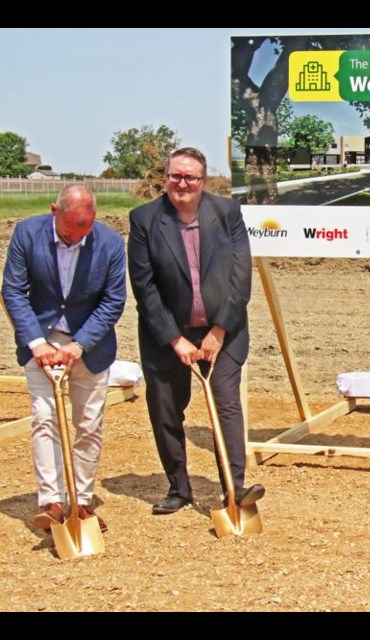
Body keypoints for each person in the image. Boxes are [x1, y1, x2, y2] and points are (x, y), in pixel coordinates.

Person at [128, 147, 265, 515]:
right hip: (167, 336)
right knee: (166, 411)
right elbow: (144, 286)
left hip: (224, 331)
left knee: (226, 402)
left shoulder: (227, 214)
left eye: (190, 177)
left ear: (203, 181)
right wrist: (175, 339)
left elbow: (241, 276)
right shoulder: (144, 219)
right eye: (175, 176)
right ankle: (179, 488)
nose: (182, 183)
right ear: (166, 178)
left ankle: (234, 488)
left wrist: (218, 330)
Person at [1, 186, 126, 533]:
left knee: (88, 424)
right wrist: (38, 344)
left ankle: (82, 500)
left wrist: (79, 345)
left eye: (83, 231)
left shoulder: (112, 244)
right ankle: (52, 501)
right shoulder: (28, 233)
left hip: (90, 343)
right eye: (68, 231)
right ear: (54, 210)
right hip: (40, 338)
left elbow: (113, 301)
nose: (74, 239)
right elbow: (12, 290)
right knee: (44, 418)